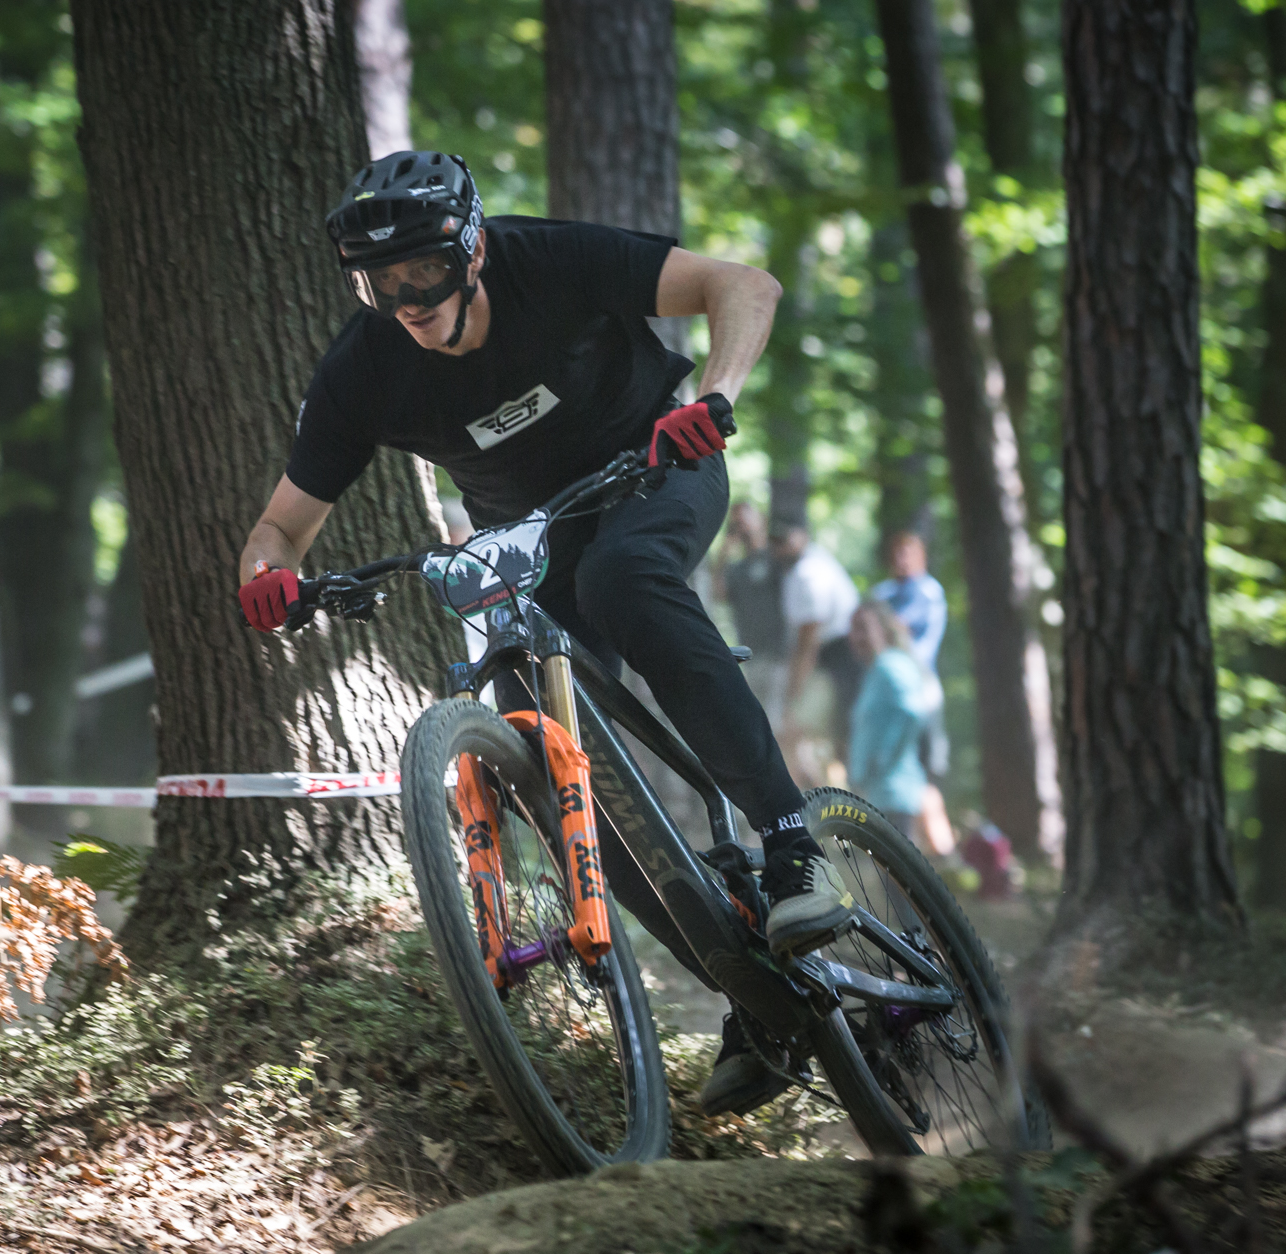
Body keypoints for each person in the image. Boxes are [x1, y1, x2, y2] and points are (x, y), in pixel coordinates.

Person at [233, 149, 854, 1115]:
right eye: (381, 283)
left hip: (657, 463)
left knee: (625, 580)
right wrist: (268, 581)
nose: (406, 299)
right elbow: (278, 529)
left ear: (473, 250)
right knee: (533, 743)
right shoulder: (364, 370)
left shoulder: (549, 260)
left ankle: (790, 845)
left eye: (424, 271)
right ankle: (752, 991)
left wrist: (711, 400)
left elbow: (744, 285)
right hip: (534, 540)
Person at [869, 530, 954, 855]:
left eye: (909, 554)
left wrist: (881, 622)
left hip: (921, 685)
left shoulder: (928, 591)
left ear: (922, 558)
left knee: (927, 770)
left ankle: (940, 852)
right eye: (897, 554)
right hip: (886, 691)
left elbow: (892, 628)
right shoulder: (883, 592)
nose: (902, 561)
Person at [845, 601, 938, 839]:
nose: (856, 637)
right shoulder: (876, 670)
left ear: (884, 629)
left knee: (894, 863)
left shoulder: (891, 666)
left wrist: (882, 760)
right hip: (880, 795)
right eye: (853, 629)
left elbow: (913, 712)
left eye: (863, 627)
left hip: (894, 793)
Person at [772, 522, 860, 768]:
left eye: (785, 540)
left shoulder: (808, 572)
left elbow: (808, 639)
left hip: (837, 659)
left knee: (796, 730)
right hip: (835, 658)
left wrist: (794, 693)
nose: (780, 547)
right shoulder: (810, 565)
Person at [713, 500, 788, 725]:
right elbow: (719, 595)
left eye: (746, 520)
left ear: (761, 520)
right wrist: (725, 551)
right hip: (753, 655)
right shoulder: (737, 568)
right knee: (759, 719)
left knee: (778, 720)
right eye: (736, 523)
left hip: (779, 654)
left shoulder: (777, 557)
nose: (742, 526)